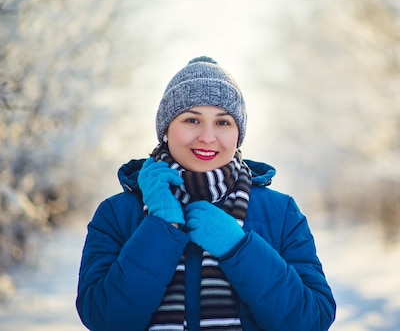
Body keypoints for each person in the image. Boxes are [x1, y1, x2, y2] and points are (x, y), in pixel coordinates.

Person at [76, 56, 336, 331]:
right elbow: (103, 319)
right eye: (191, 120)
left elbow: (312, 320)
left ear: (238, 134)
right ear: (166, 130)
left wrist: (238, 248)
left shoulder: (281, 212)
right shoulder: (117, 213)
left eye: (223, 123)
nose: (207, 137)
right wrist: (160, 227)